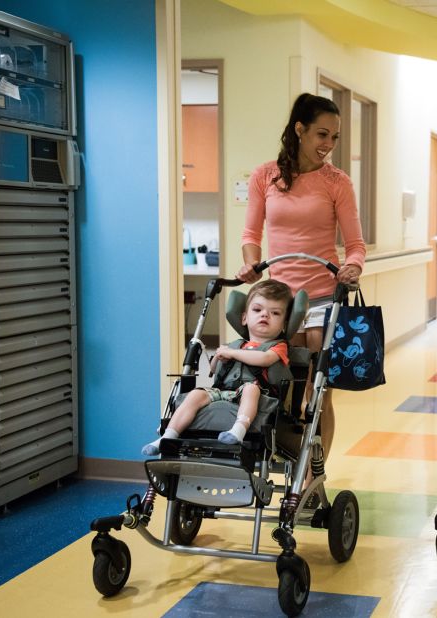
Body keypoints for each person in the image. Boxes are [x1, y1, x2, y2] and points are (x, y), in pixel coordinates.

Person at [236, 92, 367, 476]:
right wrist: (251, 265)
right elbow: (250, 232)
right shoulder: (266, 175)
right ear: (299, 129)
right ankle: (281, 460)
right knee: (282, 387)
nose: (328, 145)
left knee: (318, 392)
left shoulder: (337, 182)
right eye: (321, 135)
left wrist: (353, 267)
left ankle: (313, 474)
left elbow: (355, 244)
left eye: (334, 138)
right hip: (280, 300)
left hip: (324, 296)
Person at [143, 280, 292, 456]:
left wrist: (233, 353)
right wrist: (218, 358)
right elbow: (214, 371)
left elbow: (265, 359)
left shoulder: (278, 347)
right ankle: (168, 435)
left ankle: (238, 430)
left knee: (251, 389)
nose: (265, 315)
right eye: (257, 310)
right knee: (196, 394)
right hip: (224, 392)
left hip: (257, 394)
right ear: (244, 318)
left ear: (283, 325)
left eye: (274, 313)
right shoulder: (235, 345)